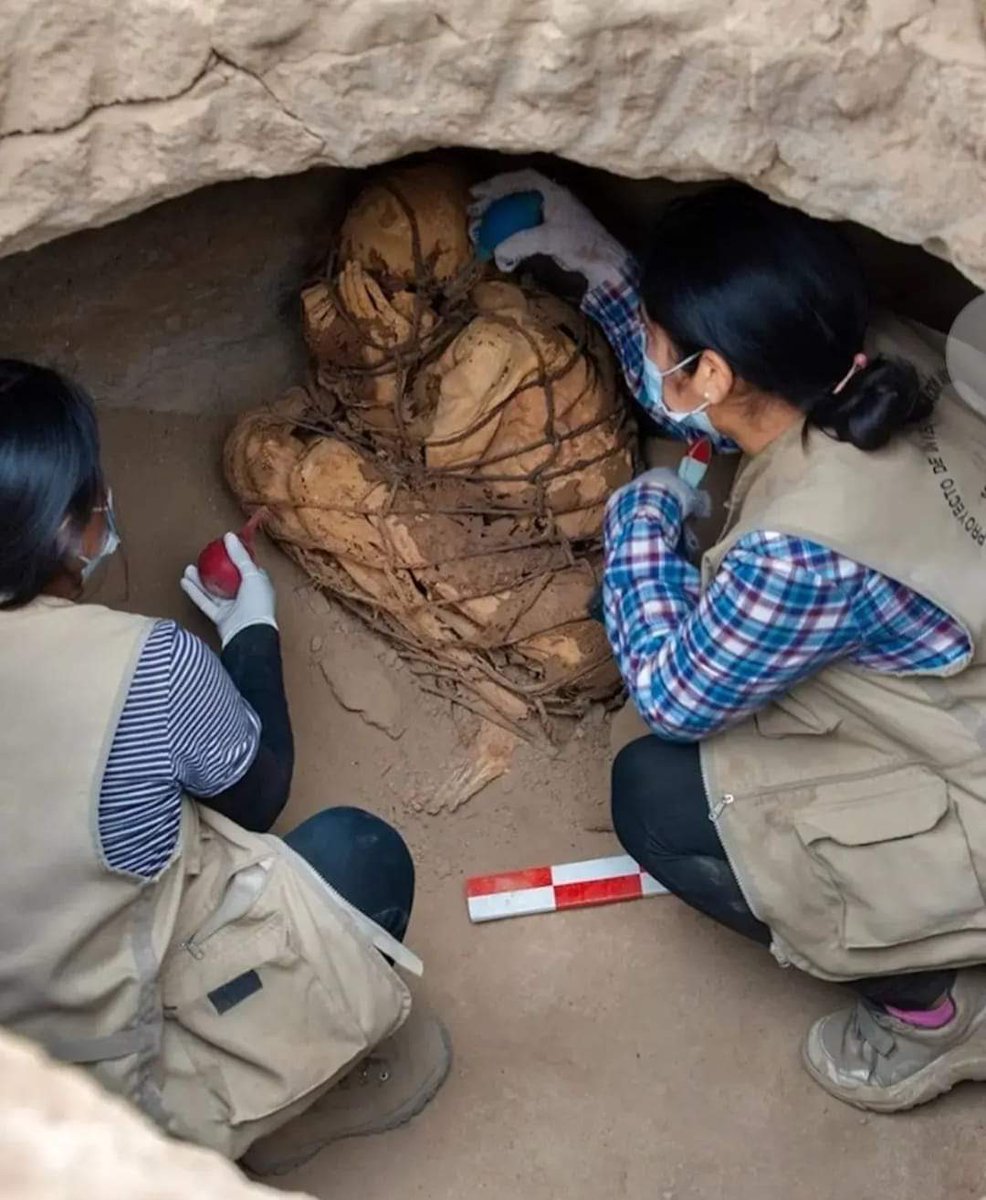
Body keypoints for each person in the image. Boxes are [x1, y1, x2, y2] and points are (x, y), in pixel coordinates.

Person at [470, 170, 986, 1112]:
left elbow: (673, 695)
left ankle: (934, 1008)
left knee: (658, 795)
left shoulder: (797, 555)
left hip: (974, 779)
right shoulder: (873, 353)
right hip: (961, 674)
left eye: (668, 345)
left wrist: (635, 528)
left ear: (713, 369)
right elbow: (707, 399)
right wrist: (595, 259)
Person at [0, 360, 451, 1168]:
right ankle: (258, 1112)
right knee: (357, 857)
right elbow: (256, 796)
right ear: (71, 526)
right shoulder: (148, 665)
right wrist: (251, 630)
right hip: (102, 1089)